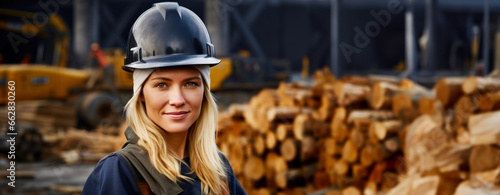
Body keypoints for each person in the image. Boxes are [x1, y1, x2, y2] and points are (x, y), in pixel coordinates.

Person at [82, 2, 246, 194]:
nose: (177, 100)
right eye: (162, 85)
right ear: (141, 94)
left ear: (204, 92)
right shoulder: (121, 171)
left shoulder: (218, 168)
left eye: (191, 84)